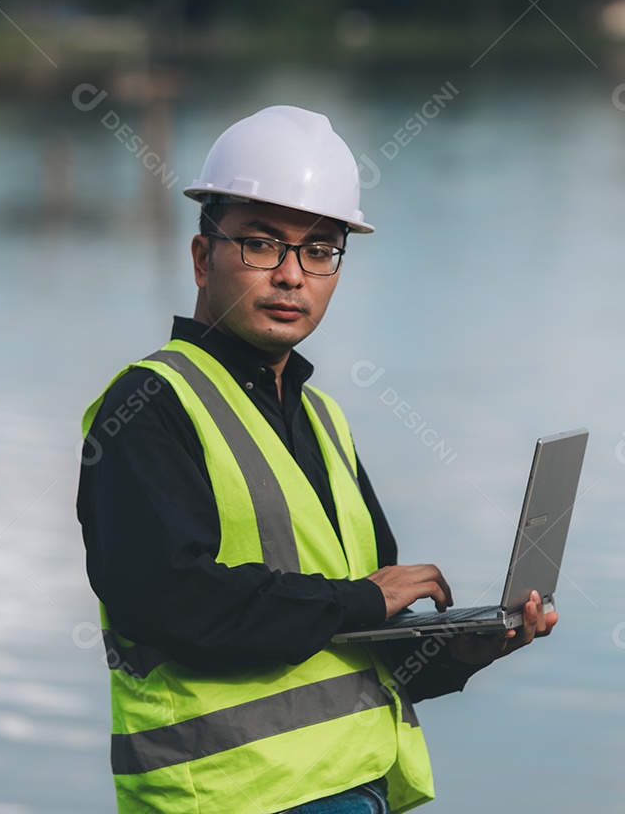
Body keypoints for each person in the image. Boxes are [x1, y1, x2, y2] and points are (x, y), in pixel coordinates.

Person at [77, 105, 556, 814]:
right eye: (263, 245)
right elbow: (169, 600)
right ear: (204, 257)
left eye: (320, 250)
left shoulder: (323, 419)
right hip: (223, 798)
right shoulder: (149, 404)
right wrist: (365, 597)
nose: (292, 275)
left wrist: (464, 648)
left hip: (354, 788)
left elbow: (356, 643)